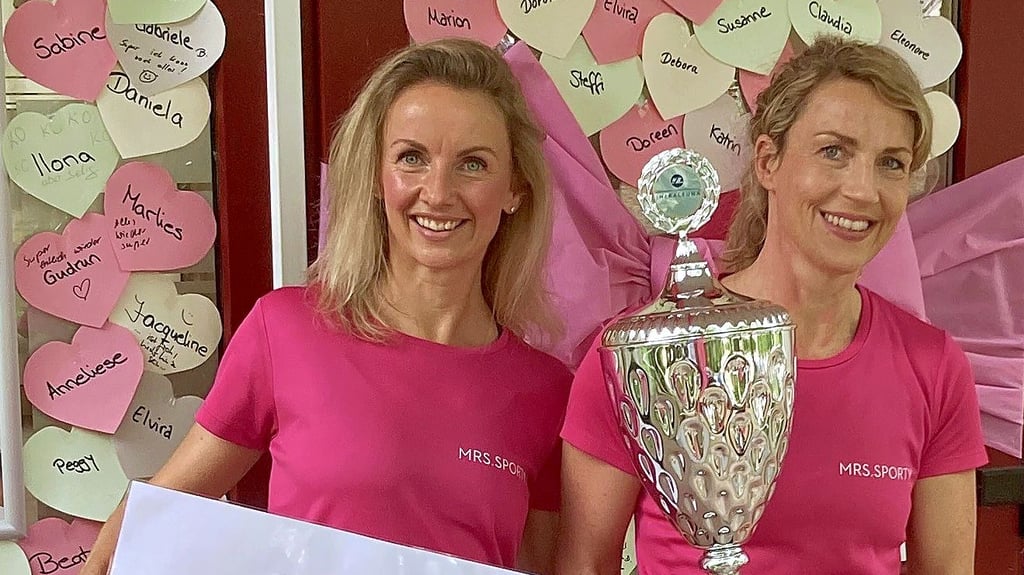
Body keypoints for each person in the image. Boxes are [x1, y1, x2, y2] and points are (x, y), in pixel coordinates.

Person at [83, 38, 571, 575]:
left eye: (472, 164)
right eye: (411, 158)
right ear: (376, 178)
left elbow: (544, 566)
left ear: (515, 190)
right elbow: (153, 524)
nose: (437, 191)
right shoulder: (285, 330)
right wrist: (131, 521)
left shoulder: (546, 392)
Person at [555, 36, 988, 575]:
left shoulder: (934, 366)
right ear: (767, 161)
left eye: (891, 163)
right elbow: (582, 564)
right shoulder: (636, 356)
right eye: (834, 151)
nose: (863, 190)